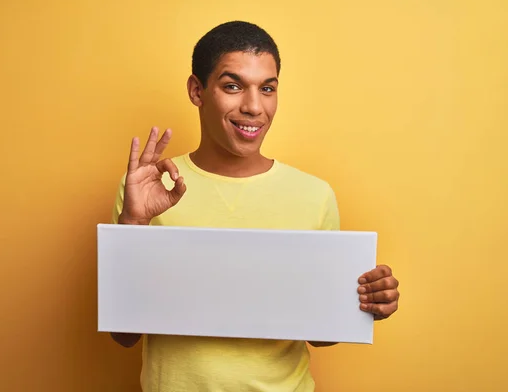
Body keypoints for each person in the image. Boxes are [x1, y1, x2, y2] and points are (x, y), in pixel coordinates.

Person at [109, 20, 400, 392]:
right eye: (232, 87)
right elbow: (124, 335)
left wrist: (365, 303)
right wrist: (134, 223)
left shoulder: (314, 195)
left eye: (267, 89)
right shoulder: (148, 188)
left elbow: (321, 337)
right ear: (197, 91)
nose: (253, 107)